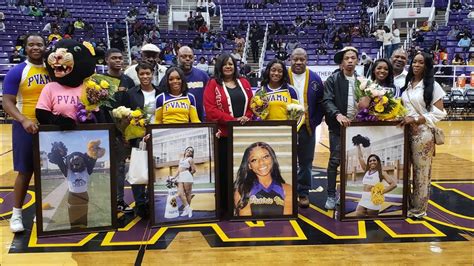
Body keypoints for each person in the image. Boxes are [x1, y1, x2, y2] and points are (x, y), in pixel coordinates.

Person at [2, 34, 50, 233]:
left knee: (48, 172)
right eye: (31, 44)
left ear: (45, 47)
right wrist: (23, 120)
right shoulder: (18, 71)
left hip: (49, 127)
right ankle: (16, 214)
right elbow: (7, 102)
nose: (36, 47)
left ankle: (44, 212)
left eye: (39, 44)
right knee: (25, 171)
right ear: (25, 48)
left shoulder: (53, 70)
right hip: (25, 126)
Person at [203, 53, 253, 217]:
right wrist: (232, 120)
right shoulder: (213, 84)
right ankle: (224, 206)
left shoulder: (244, 82)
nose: (228, 66)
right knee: (224, 172)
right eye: (225, 64)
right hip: (223, 135)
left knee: (243, 171)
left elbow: (253, 104)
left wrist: (247, 116)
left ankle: (242, 202)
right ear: (219, 66)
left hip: (242, 135)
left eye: (231, 63)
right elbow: (210, 111)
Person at [398, 52, 447, 219]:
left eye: (420, 62)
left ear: (427, 66)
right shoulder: (408, 83)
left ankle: (419, 209)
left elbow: (440, 113)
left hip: (423, 133)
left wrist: (418, 119)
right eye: (414, 62)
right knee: (404, 171)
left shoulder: (433, 86)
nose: (416, 65)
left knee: (421, 172)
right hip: (405, 133)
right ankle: (406, 204)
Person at [322, 46, 359, 209]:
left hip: (357, 128)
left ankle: (344, 194)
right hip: (338, 128)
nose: (350, 61)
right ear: (342, 62)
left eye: (353, 58)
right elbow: (327, 100)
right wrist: (337, 114)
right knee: (335, 161)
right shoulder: (333, 79)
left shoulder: (362, 80)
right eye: (347, 58)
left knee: (352, 164)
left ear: (357, 61)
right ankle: (331, 195)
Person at [288, 48, 324, 208]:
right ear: (290, 59)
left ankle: (303, 192)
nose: (298, 62)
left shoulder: (315, 79)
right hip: (285, 127)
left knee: (306, 163)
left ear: (306, 60)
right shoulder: (282, 76)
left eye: (302, 59)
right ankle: (285, 192)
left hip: (307, 128)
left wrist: (314, 121)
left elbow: (321, 102)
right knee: (284, 161)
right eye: (295, 59)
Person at [124, 62, 161, 218]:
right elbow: (125, 116)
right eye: (142, 74)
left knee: (156, 171)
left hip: (157, 136)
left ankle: (153, 201)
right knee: (138, 170)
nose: (145, 76)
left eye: (148, 73)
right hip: (138, 137)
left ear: (153, 74)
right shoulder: (131, 93)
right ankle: (140, 204)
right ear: (138, 75)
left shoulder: (160, 92)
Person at [103, 48, 135, 213]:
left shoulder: (128, 81)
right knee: (100, 167)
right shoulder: (99, 80)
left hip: (122, 131)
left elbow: (132, 106)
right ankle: (103, 198)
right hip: (103, 128)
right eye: (114, 58)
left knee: (120, 166)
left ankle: (119, 200)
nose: (118, 61)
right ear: (106, 60)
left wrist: (126, 131)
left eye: (120, 58)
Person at [233, 142, 292, 216]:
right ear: (249, 166)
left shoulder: (287, 189)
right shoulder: (242, 190)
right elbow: (245, 225)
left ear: (272, 159)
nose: (261, 163)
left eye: (265, 157)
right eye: (254, 160)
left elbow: (288, 223)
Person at [257, 59, 303, 129]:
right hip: (266, 132)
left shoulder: (291, 90)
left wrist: (292, 131)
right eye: (273, 70)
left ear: (283, 73)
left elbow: (299, 115)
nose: (276, 73)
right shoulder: (260, 92)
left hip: (286, 132)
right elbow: (256, 115)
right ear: (268, 71)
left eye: (280, 71)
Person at [355, 145, 397, 217]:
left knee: (372, 221)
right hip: (364, 198)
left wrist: (381, 192)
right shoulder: (366, 170)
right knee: (358, 215)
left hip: (374, 199)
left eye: (374, 160)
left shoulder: (381, 172)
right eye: (370, 161)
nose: (372, 162)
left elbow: (393, 184)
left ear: (378, 161)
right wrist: (358, 145)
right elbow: (360, 158)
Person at [170, 46, 209, 121]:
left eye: (190, 57)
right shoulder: (170, 76)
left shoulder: (203, 76)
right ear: (177, 58)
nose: (187, 59)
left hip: (200, 120)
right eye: (184, 57)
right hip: (177, 121)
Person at [170, 147, 197, 217]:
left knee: (187, 193)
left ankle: (186, 210)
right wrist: (173, 177)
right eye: (188, 150)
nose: (189, 151)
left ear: (192, 154)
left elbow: (194, 170)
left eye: (191, 151)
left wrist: (187, 174)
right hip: (180, 177)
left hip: (187, 176)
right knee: (180, 194)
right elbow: (178, 170)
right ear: (185, 151)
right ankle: (188, 209)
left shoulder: (190, 159)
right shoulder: (181, 159)